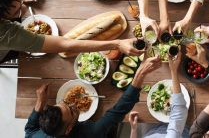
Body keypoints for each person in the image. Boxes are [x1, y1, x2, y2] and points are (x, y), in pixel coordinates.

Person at [0, 0, 143, 63]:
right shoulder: (7, 34)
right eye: (17, 11)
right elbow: (64, 45)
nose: (25, 7)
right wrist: (117, 43)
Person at [24, 56, 162, 138]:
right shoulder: (91, 133)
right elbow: (119, 110)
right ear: (69, 129)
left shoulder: (37, 136)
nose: (73, 105)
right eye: (71, 111)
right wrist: (140, 74)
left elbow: (29, 130)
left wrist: (40, 103)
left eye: (65, 103)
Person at [129, 52, 189, 138]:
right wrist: (173, 70)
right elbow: (179, 112)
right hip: (181, 131)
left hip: (150, 133)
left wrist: (134, 129)